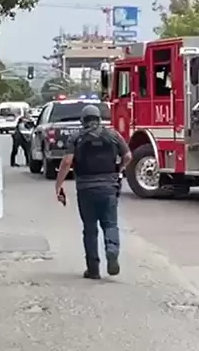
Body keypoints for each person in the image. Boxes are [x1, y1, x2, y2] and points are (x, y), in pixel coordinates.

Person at [55, 104, 131, 280]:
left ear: (83, 120)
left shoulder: (77, 137)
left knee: (90, 229)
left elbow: (67, 162)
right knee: (110, 224)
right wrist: (119, 169)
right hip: (109, 188)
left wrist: (58, 185)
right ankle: (112, 251)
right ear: (98, 118)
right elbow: (128, 156)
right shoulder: (113, 135)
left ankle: (93, 269)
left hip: (85, 189)